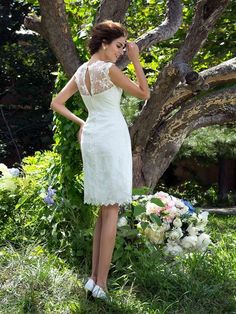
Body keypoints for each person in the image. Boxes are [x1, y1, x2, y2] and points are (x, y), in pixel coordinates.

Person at [50, 20, 150, 300]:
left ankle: (94, 280)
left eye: (124, 47)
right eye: (119, 46)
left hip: (94, 136)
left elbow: (57, 103)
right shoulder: (109, 71)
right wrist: (136, 60)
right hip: (111, 137)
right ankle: (101, 285)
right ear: (104, 43)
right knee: (111, 209)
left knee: (104, 210)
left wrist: (83, 122)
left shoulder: (82, 71)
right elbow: (144, 93)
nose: (122, 51)